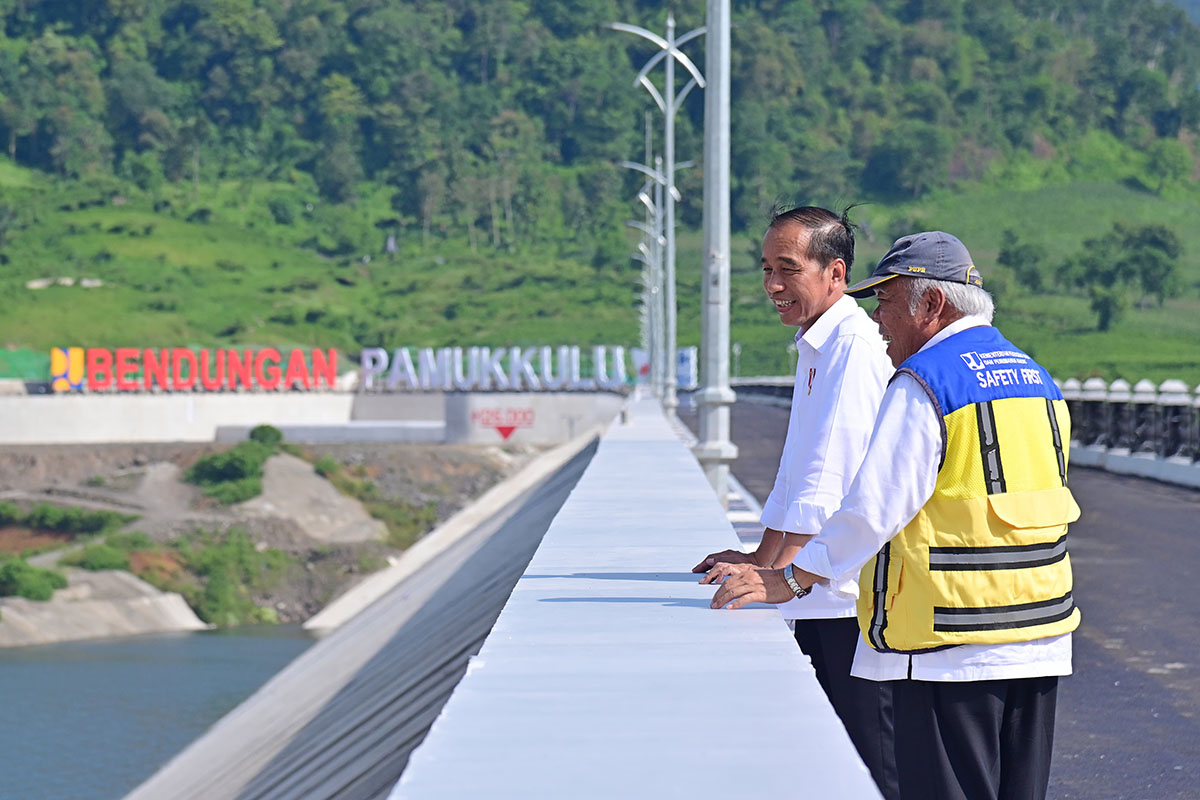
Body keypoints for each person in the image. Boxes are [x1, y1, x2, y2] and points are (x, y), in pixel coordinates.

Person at [709, 230, 1080, 800]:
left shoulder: (927, 382)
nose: (877, 320)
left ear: (931, 305)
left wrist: (788, 579)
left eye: (886, 301)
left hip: (951, 643)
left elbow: (872, 509)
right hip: (1038, 633)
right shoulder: (1037, 377)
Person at [691, 205, 896, 796]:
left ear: (836, 274)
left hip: (844, 596)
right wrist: (762, 558)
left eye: (788, 269)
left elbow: (828, 483)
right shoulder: (818, 343)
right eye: (765, 269)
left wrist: (785, 577)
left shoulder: (853, 349)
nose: (773, 286)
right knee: (833, 755)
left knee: (870, 762)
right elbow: (798, 473)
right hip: (819, 585)